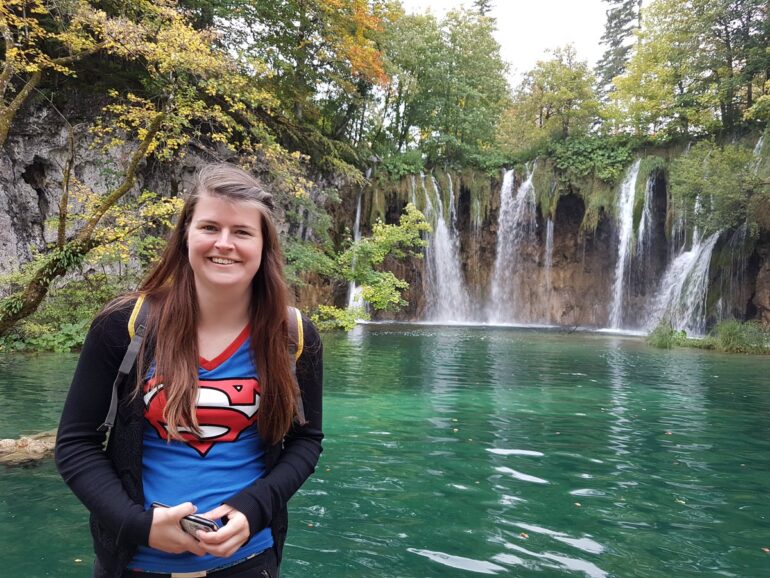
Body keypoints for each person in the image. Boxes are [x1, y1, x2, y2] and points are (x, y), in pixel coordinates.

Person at [55, 163, 323, 578]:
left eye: (242, 232)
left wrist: (254, 510)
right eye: (210, 227)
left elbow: (305, 441)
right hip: (134, 565)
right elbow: (75, 444)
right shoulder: (125, 325)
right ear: (185, 235)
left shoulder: (292, 335)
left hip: (248, 562)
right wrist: (136, 525)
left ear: (264, 245)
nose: (224, 243)